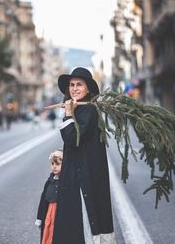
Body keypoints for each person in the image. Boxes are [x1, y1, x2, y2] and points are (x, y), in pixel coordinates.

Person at [54, 67, 115, 243]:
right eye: (72, 85)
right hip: (79, 170)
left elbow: (73, 139)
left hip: (84, 175)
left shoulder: (89, 110)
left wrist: (67, 115)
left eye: (79, 84)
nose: (74, 88)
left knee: (84, 218)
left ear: (88, 89)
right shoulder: (80, 109)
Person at [35, 149, 63, 244]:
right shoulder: (49, 181)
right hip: (49, 214)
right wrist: (39, 218)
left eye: (57, 164)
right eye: (52, 164)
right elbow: (43, 201)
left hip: (59, 214)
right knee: (47, 233)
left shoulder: (65, 182)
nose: (54, 167)